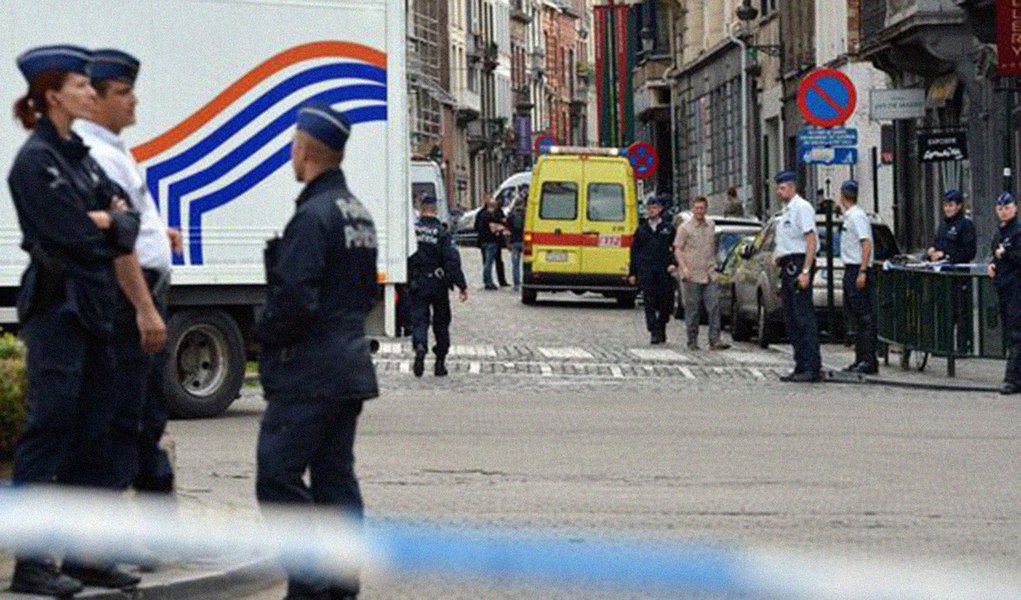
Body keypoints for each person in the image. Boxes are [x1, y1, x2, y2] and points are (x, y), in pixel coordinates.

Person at [7, 45, 147, 596]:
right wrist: (105, 222)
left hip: (93, 309)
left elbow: (127, 226)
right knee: (50, 432)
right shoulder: (35, 162)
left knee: (94, 435)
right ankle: (34, 563)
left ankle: (86, 555)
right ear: (51, 94)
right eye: (82, 85)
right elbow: (75, 235)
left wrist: (109, 221)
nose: (92, 92)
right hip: (57, 311)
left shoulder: (81, 156)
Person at [254, 103, 379, 599]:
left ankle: (310, 584)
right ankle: (342, 583)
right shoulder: (358, 213)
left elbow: (294, 300)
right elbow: (365, 292)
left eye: (292, 144)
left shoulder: (313, 216)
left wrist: (265, 333)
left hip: (308, 373)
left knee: (277, 478)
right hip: (347, 366)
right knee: (334, 482)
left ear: (304, 149)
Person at [76, 49, 181, 504]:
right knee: (128, 418)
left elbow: (132, 225)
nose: (134, 101)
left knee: (145, 416)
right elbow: (118, 243)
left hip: (141, 295)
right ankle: (121, 539)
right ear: (96, 100)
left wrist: (160, 234)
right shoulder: (99, 155)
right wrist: (143, 308)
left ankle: (153, 532)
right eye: (123, 92)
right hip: (128, 303)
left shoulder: (115, 151)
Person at [409, 194, 469, 377]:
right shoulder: (442, 233)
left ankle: (420, 346)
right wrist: (461, 285)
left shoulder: (413, 231)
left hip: (417, 282)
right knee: (441, 323)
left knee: (419, 320)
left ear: (420, 208)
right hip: (438, 283)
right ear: (435, 210)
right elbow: (452, 260)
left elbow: (407, 256)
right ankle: (440, 362)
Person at [773, 170, 822, 383]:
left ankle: (812, 366)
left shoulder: (802, 208)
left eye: (782, 188)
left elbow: (810, 240)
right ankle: (800, 364)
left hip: (798, 264)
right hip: (787, 265)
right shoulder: (786, 210)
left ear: (792, 187)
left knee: (804, 318)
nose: (779, 191)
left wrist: (805, 270)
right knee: (792, 319)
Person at [675, 197, 730, 351]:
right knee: (692, 309)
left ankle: (715, 339)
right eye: (697, 208)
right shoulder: (685, 228)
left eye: (702, 208)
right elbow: (678, 249)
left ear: (706, 209)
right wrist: (683, 267)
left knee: (714, 307)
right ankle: (692, 340)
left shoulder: (711, 225)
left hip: (709, 273)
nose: (699, 211)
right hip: (692, 274)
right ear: (693, 209)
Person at [837, 180, 878, 375]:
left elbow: (866, 244)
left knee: (864, 318)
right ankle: (860, 358)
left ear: (842, 196)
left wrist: (862, 270)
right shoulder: (850, 216)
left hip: (858, 269)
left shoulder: (857, 216)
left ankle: (868, 360)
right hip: (851, 268)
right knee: (856, 318)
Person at [629, 194, 676, 344]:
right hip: (647, 270)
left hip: (664, 270)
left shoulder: (668, 229)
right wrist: (633, 272)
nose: (651, 211)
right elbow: (634, 252)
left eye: (654, 208)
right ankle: (653, 331)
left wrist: (674, 263)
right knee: (649, 302)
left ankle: (661, 325)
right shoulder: (642, 230)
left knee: (665, 302)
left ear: (660, 209)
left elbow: (676, 248)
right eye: (649, 208)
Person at [988, 191, 1021, 395]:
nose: (1003, 212)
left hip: (1016, 288)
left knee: (1016, 334)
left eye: (1007, 208)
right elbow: (994, 254)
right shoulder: (999, 232)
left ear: (1015, 208)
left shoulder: (1018, 231)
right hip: (1004, 286)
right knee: (1011, 333)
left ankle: (1012, 378)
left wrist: (1006, 254)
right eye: (1000, 208)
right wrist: (992, 264)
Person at [926, 189, 976, 264]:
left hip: (957, 271)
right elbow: (937, 243)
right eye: (945, 206)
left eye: (951, 205)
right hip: (939, 268)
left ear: (959, 206)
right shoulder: (943, 224)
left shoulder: (966, 224)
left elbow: (970, 252)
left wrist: (946, 255)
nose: (947, 209)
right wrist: (932, 250)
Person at [475, 195, 506, 290]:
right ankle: (488, 282)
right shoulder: (488, 215)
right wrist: (500, 228)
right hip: (491, 241)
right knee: (489, 263)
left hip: (483, 241)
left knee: (487, 262)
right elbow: (494, 228)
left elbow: (476, 227)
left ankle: (488, 281)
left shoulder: (481, 214)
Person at [507, 201, 526, 291]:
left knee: (515, 265)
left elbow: (507, 228)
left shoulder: (511, 217)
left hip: (514, 242)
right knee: (527, 263)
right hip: (525, 242)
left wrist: (508, 243)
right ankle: (526, 281)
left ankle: (516, 284)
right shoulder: (526, 216)